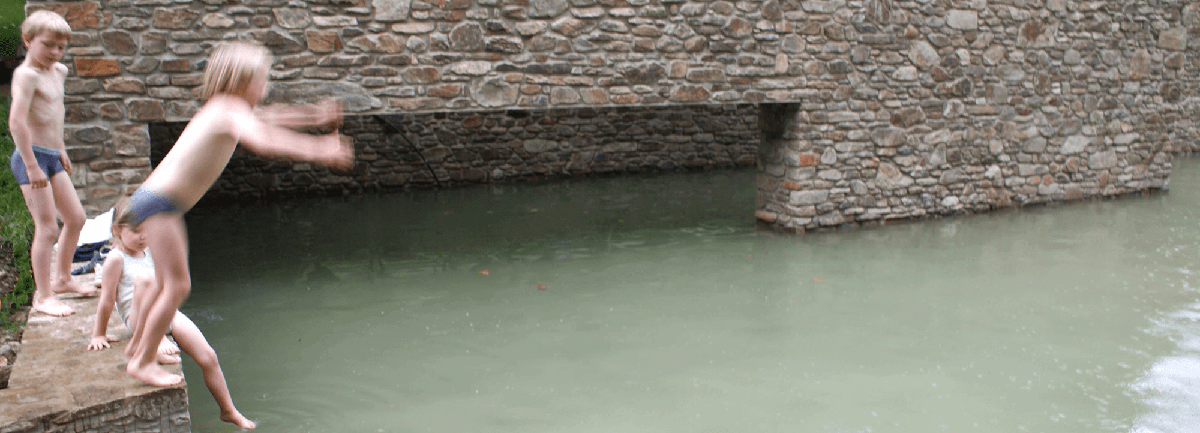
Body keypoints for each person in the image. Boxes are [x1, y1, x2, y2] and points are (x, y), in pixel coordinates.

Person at [123, 41, 352, 388]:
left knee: (165, 283)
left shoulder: (226, 108)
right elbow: (264, 141)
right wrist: (321, 149)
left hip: (154, 201)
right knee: (177, 284)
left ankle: (139, 348)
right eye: (262, 79)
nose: (266, 87)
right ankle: (141, 362)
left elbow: (272, 117)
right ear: (240, 80)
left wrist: (313, 116)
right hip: (160, 204)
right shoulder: (229, 110)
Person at [88, 198, 256, 429]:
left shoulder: (148, 251)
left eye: (146, 231)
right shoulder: (116, 259)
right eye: (135, 231)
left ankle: (228, 410)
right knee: (147, 278)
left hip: (165, 313)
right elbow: (107, 301)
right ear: (117, 230)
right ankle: (148, 344)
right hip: (137, 318)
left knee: (208, 356)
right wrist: (99, 334)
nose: (143, 237)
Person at [9, 10, 96, 317]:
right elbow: (17, 123)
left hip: (51, 155)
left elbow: (53, 114)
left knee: (76, 218)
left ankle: (62, 278)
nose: (56, 53)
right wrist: (32, 166)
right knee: (46, 228)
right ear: (27, 40)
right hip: (30, 158)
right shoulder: (26, 76)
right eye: (48, 45)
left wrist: (61, 148)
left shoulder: (58, 71)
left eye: (61, 47)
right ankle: (43, 296)